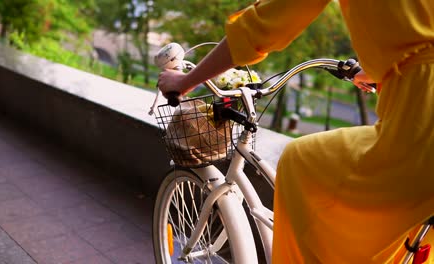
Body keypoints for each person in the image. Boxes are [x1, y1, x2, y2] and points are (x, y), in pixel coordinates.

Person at [157, 0, 434, 263]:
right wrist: (380, 71)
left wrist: (186, 81)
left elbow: (265, 23)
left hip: (420, 127)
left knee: (298, 161)